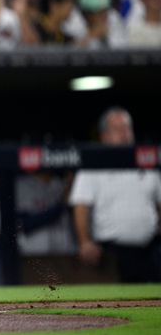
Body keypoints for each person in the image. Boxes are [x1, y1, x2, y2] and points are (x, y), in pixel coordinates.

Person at [68, 107, 161, 283]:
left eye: (127, 128)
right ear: (104, 135)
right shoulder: (92, 166)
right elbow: (80, 206)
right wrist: (84, 242)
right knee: (115, 303)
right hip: (111, 253)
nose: (124, 134)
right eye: (117, 129)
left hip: (149, 249)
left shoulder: (148, 164)